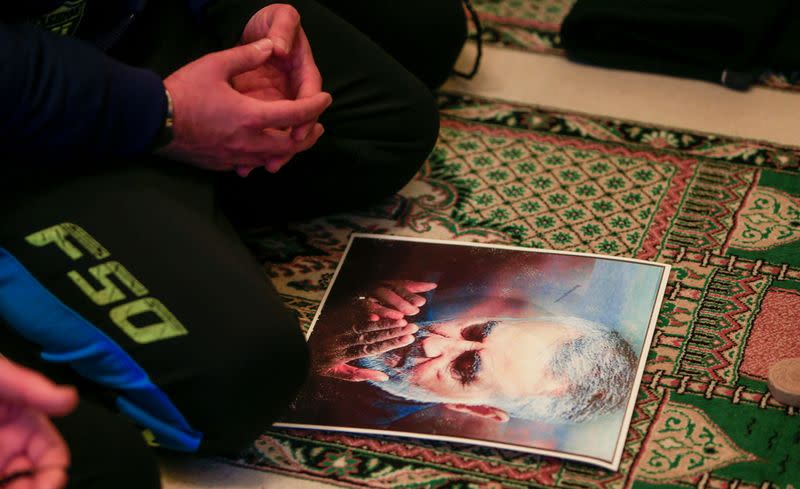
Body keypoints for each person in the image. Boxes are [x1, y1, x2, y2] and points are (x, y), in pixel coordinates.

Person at [0, 1, 467, 488]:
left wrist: (246, 12)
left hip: (113, 32)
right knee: (231, 386)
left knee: (404, 85)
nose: (432, 339)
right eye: (469, 351)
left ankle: (167, 190)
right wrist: (158, 114)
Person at [303, 280, 638, 426]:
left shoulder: (347, 429)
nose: (431, 341)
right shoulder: (407, 290)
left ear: (474, 408)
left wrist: (301, 357)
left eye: (463, 368)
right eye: (475, 330)